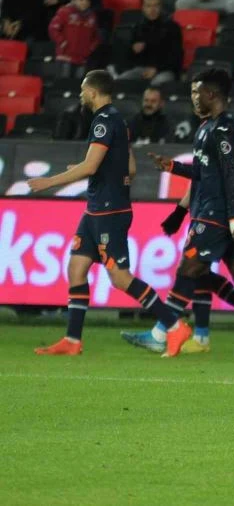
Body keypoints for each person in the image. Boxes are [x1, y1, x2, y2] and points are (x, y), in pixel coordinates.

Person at [26, 69, 190, 355]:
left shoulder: (102, 122)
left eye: (82, 90)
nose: (80, 95)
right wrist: (100, 171)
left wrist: (49, 182)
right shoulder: (119, 121)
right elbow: (130, 168)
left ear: (92, 92)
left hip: (109, 211)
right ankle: (72, 340)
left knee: (120, 278)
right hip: (96, 209)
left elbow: (90, 166)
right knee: (77, 268)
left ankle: (174, 326)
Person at [122, 69, 234, 357]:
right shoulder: (212, 126)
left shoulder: (223, 129)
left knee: (189, 269)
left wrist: (233, 219)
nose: (192, 97)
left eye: (197, 92)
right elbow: (206, 171)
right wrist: (173, 167)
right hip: (230, 209)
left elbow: (231, 174)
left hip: (217, 212)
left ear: (212, 94)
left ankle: (161, 333)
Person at [117, 0, 182, 86]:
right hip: (142, 69)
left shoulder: (172, 27)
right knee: (120, 81)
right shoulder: (138, 27)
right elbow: (129, 57)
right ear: (143, 8)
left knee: (156, 85)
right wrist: (133, 50)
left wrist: (157, 69)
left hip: (165, 70)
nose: (152, 9)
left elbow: (176, 56)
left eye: (156, 6)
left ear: (161, 7)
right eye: (148, 6)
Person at [48, 0, 100, 78]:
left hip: (82, 59)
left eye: (88, 0)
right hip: (65, 57)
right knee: (63, 83)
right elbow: (53, 28)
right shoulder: (64, 12)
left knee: (78, 84)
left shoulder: (92, 16)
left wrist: (90, 48)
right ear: (73, 0)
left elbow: (96, 36)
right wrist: (62, 42)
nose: (85, 2)